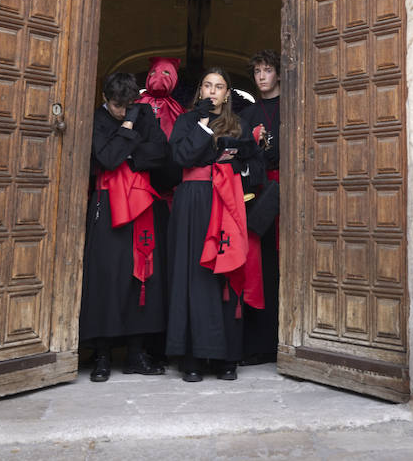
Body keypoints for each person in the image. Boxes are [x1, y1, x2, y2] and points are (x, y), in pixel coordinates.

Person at [165, 67, 263, 382]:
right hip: (192, 202)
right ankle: (192, 357)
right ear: (200, 92)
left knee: (226, 274)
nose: (212, 91)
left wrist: (238, 165)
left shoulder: (238, 124)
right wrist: (204, 124)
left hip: (227, 201)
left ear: (227, 94)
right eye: (207, 85)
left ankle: (226, 357)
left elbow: (255, 168)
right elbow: (181, 157)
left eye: (219, 87)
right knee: (193, 274)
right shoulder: (186, 122)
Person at [79, 72, 176, 382]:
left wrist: (128, 153)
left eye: (129, 107)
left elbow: (160, 152)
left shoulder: (144, 111)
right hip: (107, 207)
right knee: (106, 278)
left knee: (142, 275)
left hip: (143, 205)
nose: (125, 111)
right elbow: (106, 158)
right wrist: (129, 128)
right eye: (119, 107)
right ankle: (103, 355)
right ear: (107, 101)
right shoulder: (97, 118)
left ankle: (136, 353)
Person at [240, 49, 282, 365]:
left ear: (278, 73)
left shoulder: (292, 107)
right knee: (261, 268)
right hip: (259, 196)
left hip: (289, 192)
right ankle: (261, 346)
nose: (262, 76)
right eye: (257, 72)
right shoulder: (248, 115)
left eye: (267, 70)